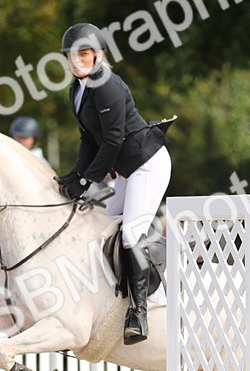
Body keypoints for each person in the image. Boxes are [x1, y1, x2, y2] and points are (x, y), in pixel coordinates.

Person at [53, 22, 172, 345]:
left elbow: (114, 139)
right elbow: (88, 139)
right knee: (101, 224)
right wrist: (73, 175)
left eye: (84, 54)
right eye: (71, 55)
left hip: (147, 166)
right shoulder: (77, 89)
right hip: (126, 170)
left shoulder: (106, 85)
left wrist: (87, 178)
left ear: (98, 55)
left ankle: (140, 312)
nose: (76, 60)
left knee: (131, 232)